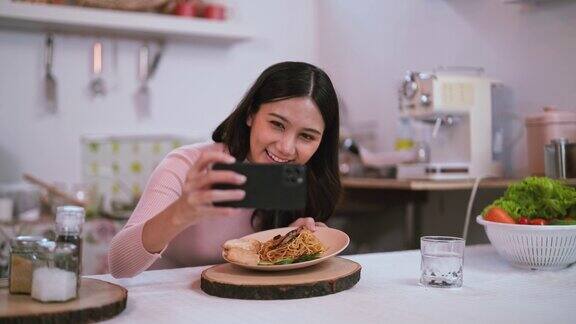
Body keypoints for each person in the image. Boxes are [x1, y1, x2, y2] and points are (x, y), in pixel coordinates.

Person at [108, 61, 341, 278]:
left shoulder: (303, 181)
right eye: (277, 124)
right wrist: (181, 211)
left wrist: (285, 242)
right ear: (251, 114)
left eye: (306, 136)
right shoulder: (186, 164)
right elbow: (119, 265)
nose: (286, 148)